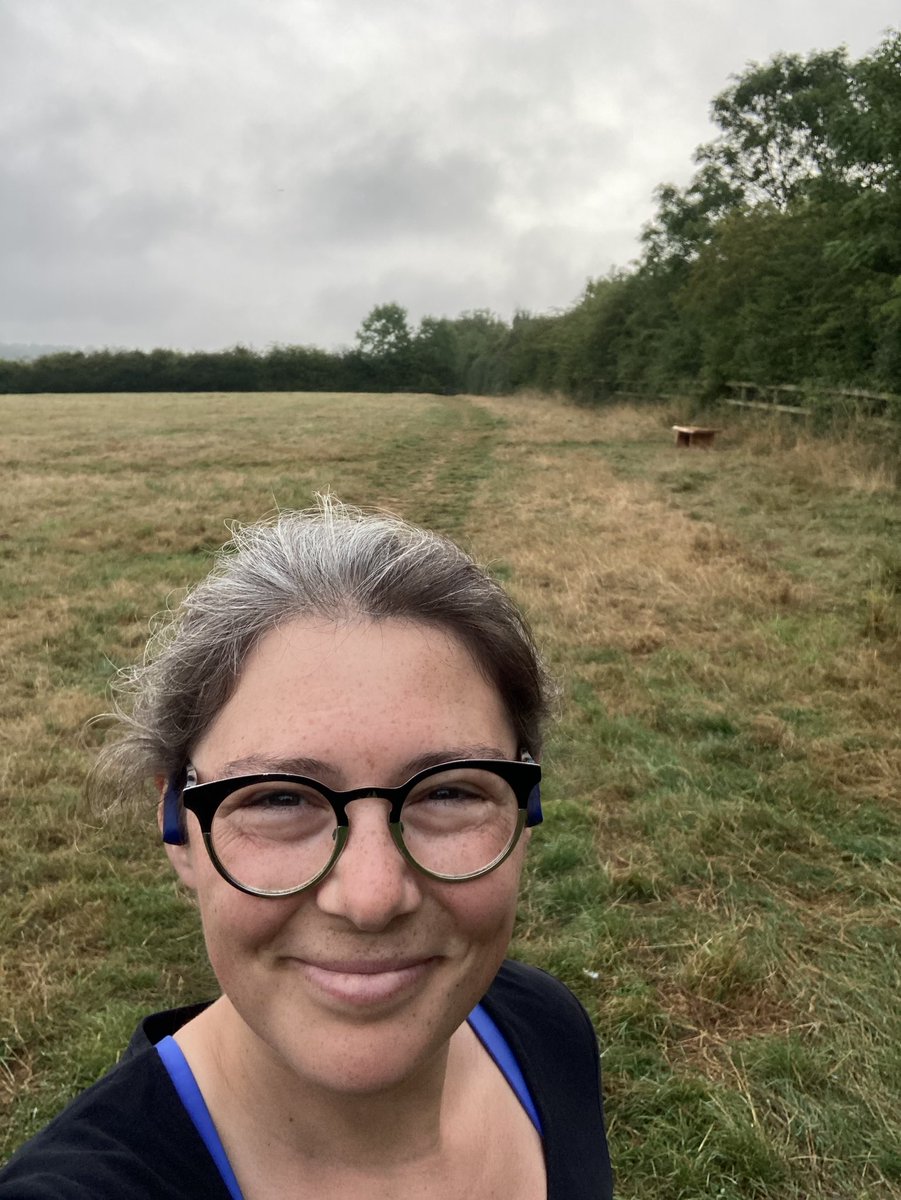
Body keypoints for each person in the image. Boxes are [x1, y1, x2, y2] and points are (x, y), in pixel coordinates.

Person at [1, 498, 613, 1199]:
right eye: (278, 798)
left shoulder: (544, 1026)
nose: (372, 897)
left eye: (447, 793)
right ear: (177, 825)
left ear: (524, 808)